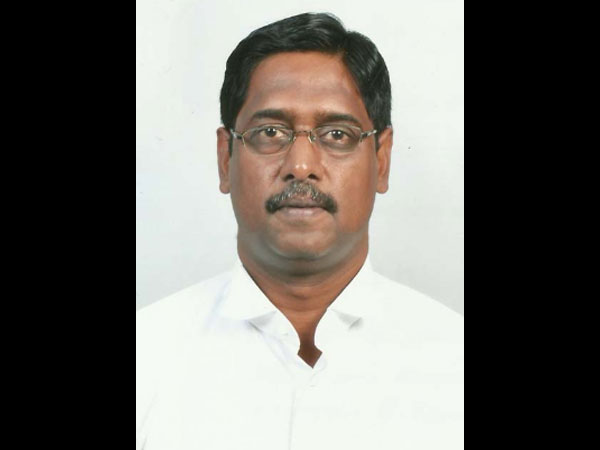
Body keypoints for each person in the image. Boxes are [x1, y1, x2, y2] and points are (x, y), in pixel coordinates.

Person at [136, 12, 463, 450]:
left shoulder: (452, 362)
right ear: (225, 158)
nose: (301, 166)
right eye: (270, 132)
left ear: (381, 159)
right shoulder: (147, 357)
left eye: (337, 134)